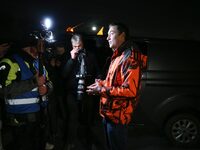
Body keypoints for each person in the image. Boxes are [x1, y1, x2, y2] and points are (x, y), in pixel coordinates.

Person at [87, 22, 147, 150]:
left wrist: (101, 89)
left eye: (111, 33)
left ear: (122, 35)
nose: (107, 37)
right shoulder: (118, 56)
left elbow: (130, 91)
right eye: (107, 34)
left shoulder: (129, 57)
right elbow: (114, 83)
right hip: (109, 114)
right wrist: (101, 84)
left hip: (118, 118)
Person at [0, 35, 52, 150]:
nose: (39, 50)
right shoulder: (9, 62)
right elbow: (3, 90)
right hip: (19, 120)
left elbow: (49, 82)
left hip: (38, 117)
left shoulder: (38, 62)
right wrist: (33, 82)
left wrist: (47, 88)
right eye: (37, 47)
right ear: (27, 47)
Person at [62, 33, 100, 150]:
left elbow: (97, 71)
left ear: (83, 44)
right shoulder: (67, 56)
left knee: (88, 118)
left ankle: (88, 141)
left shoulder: (91, 55)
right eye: (75, 46)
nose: (78, 48)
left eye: (80, 46)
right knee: (72, 118)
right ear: (72, 45)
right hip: (72, 92)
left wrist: (98, 79)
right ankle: (70, 142)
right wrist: (72, 59)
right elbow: (63, 75)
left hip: (87, 91)